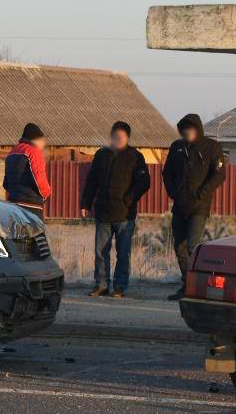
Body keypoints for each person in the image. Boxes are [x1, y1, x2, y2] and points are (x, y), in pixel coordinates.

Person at [80, 121, 150, 298]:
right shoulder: (101, 155)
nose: (117, 139)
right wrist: (85, 204)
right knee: (101, 253)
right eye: (115, 135)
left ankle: (120, 287)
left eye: (121, 136)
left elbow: (144, 182)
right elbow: (91, 181)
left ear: (127, 137)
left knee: (123, 253)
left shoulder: (135, 156)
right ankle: (101, 285)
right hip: (103, 212)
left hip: (125, 214)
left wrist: (129, 199)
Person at [162, 114, 226, 300]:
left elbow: (220, 174)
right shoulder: (177, 147)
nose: (187, 133)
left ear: (198, 129)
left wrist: (202, 192)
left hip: (199, 206)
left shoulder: (211, 147)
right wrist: (173, 193)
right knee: (179, 247)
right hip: (179, 206)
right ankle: (187, 286)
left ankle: (199, 288)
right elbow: (167, 173)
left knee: (193, 246)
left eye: (191, 129)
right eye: (184, 130)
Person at [3, 123, 52, 219]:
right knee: (36, 233)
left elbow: (6, 183)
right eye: (42, 141)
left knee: (16, 233)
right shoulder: (33, 152)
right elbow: (39, 178)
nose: (43, 144)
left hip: (13, 205)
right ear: (36, 139)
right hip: (31, 206)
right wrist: (47, 194)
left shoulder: (12, 152)